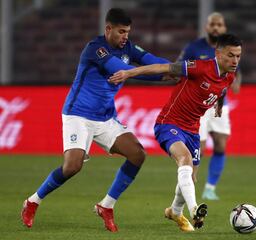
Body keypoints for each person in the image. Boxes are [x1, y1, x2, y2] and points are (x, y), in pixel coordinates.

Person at [21, 8, 169, 232]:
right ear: (108, 29)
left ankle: (106, 206)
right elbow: (120, 69)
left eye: (128, 32)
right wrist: (158, 73)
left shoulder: (129, 47)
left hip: (105, 117)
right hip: (78, 115)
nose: (125, 37)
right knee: (72, 167)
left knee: (138, 154)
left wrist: (175, 70)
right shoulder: (95, 49)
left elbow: (154, 61)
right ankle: (33, 201)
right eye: (121, 32)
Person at [109, 33, 242, 232]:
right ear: (218, 53)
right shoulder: (200, 67)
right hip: (168, 123)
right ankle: (194, 208)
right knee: (185, 159)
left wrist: (219, 106)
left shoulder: (229, 75)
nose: (235, 61)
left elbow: (222, 89)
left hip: (193, 130)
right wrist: (130, 73)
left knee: (191, 177)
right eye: (231, 55)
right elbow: (164, 68)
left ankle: (174, 211)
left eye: (238, 56)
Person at [178, 12, 241, 200]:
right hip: (199, 106)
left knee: (221, 144)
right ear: (206, 27)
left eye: (219, 24)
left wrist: (234, 84)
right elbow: (180, 67)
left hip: (220, 103)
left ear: (224, 28)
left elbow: (235, 72)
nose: (216, 27)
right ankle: (188, 189)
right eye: (212, 24)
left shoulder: (231, 50)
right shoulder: (193, 48)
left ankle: (210, 188)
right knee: (201, 148)